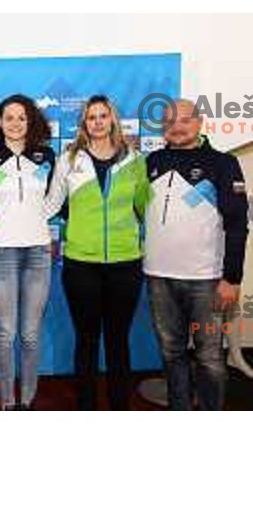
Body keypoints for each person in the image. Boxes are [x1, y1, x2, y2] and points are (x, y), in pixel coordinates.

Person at [45, 95, 149, 410]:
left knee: (118, 341)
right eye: (92, 117)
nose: (98, 122)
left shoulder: (134, 158)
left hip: (125, 263)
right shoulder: (69, 159)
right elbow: (50, 204)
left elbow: (145, 207)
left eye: (104, 116)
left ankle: (120, 407)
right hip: (81, 264)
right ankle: (86, 408)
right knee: (87, 340)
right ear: (84, 123)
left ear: (113, 120)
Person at [145, 99, 249, 411]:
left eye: (185, 119)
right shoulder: (152, 161)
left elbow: (237, 224)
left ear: (200, 122)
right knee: (171, 352)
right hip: (158, 277)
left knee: (209, 357)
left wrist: (232, 278)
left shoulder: (223, 163)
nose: (177, 126)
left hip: (206, 280)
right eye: (170, 120)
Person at [0, 95, 55, 410]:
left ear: (30, 121)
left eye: (22, 117)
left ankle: (27, 402)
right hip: (1, 250)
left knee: (30, 334)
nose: (15, 123)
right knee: (5, 332)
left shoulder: (46, 155)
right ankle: (7, 402)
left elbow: (59, 197)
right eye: (9, 117)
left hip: (38, 251)